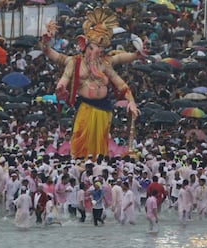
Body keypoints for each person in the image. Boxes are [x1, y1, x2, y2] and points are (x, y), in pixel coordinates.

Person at [50, 7, 140, 160]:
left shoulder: (104, 64)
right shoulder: (74, 62)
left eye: (101, 47)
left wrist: (131, 101)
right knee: (80, 141)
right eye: (95, 46)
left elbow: (121, 83)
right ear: (83, 44)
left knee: (101, 147)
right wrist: (61, 85)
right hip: (85, 107)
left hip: (104, 110)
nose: (98, 51)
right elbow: (59, 64)